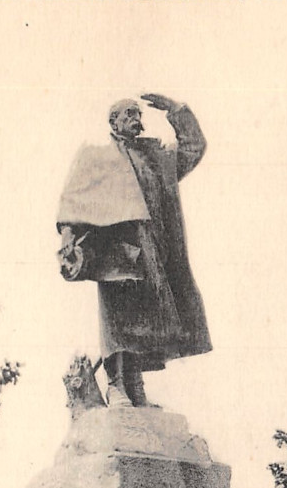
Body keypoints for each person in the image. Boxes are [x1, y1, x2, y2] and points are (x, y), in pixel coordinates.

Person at [57, 93, 212, 407]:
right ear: (113, 121)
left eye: (137, 112)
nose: (135, 117)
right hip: (116, 250)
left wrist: (176, 110)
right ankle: (116, 386)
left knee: (147, 319)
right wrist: (67, 241)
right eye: (128, 112)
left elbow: (194, 148)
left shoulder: (157, 158)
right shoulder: (97, 156)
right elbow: (73, 202)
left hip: (153, 250)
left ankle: (136, 387)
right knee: (118, 317)